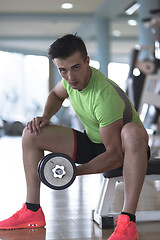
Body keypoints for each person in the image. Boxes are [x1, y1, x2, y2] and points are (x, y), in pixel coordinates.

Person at [0, 34, 149, 240]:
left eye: (76, 67)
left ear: (87, 61)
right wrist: (45, 117)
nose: (70, 77)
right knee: (32, 133)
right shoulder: (69, 81)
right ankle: (32, 210)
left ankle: (127, 222)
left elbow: (115, 156)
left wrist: (73, 172)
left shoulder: (104, 96)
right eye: (63, 70)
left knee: (132, 132)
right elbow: (56, 95)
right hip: (95, 143)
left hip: (126, 151)